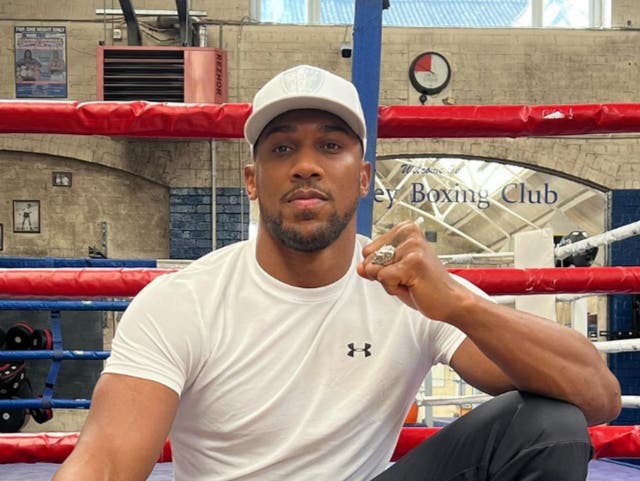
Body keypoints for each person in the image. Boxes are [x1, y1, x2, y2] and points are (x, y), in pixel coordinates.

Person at [53, 65, 621, 481]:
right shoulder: (185, 302)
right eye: (282, 149)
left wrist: (460, 306)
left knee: (548, 426)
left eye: (330, 146)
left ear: (364, 175)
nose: (305, 165)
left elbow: (598, 397)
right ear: (252, 180)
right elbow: (105, 461)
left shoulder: (409, 289)